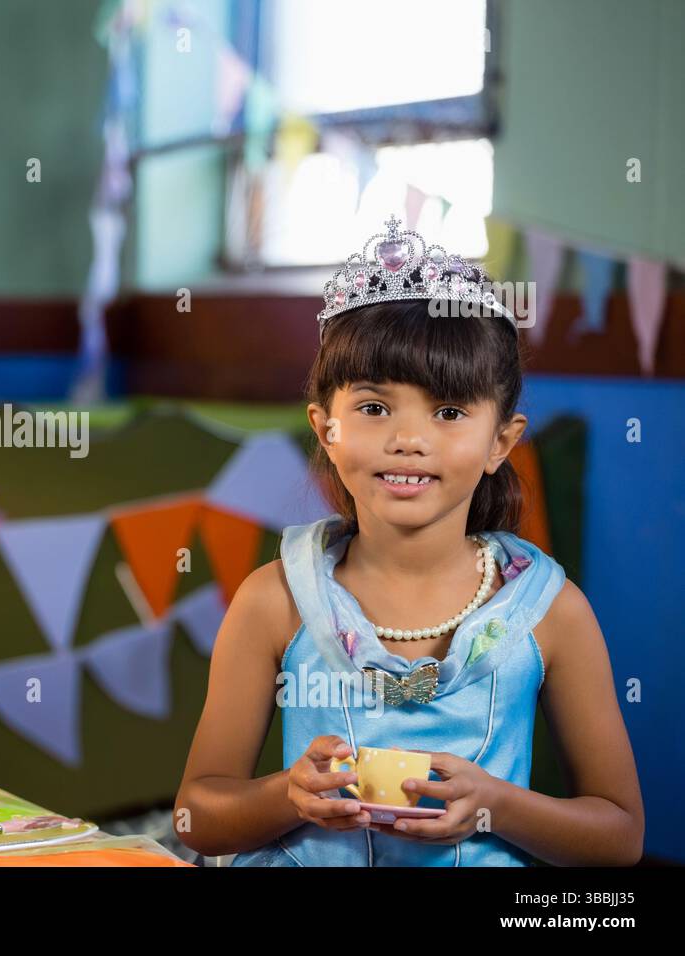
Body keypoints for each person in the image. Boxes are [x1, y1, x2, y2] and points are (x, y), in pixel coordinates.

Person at [174, 217, 644, 866]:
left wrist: (494, 803)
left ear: (500, 443)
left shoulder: (551, 613)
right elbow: (196, 816)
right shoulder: (276, 600)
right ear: (326, 428)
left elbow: (619, 837)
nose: (408, 439)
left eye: (448, 412)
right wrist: (291, 794)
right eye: (373, 407)